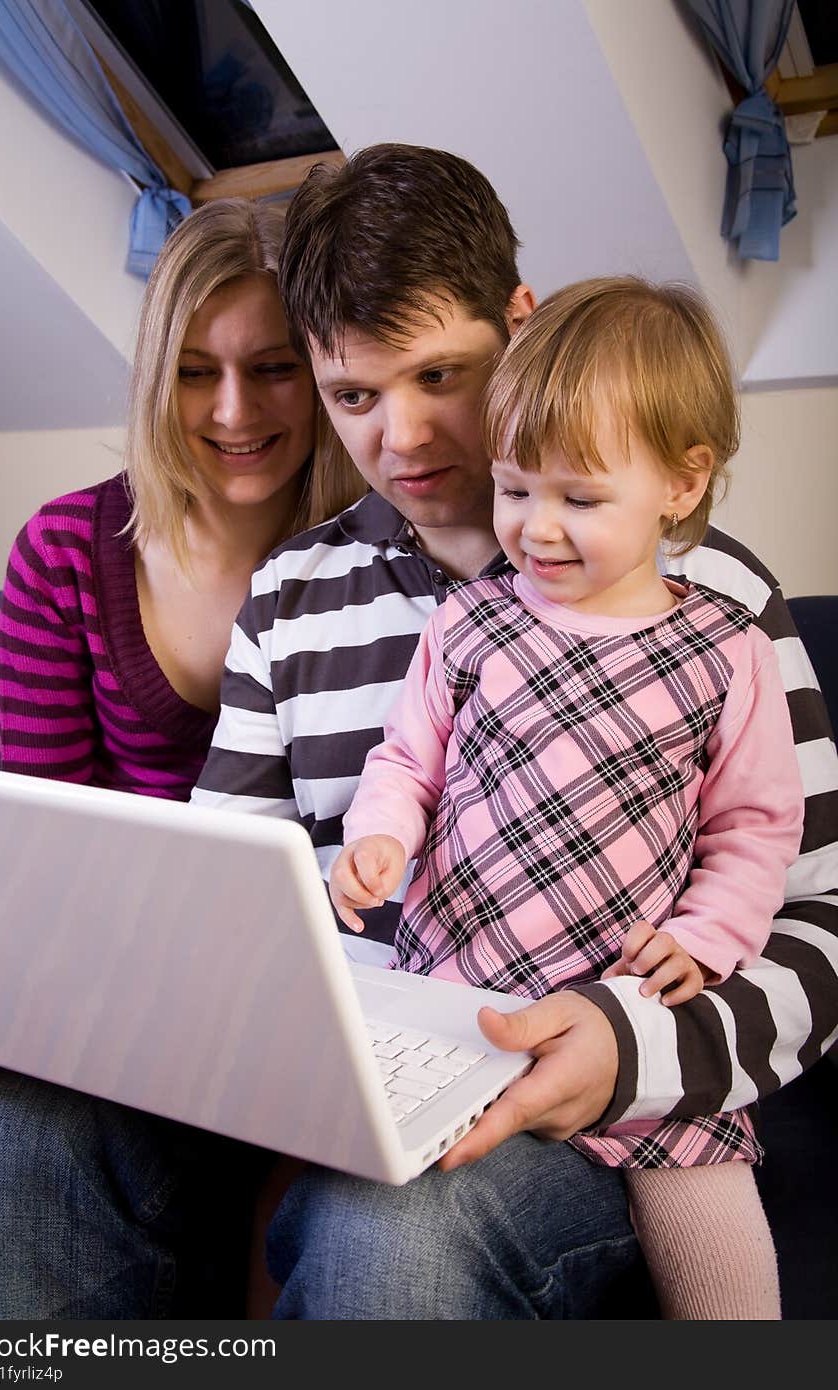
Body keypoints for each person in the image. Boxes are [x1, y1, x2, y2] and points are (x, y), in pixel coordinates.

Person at [192, 144, 838, 1319]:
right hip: (373, 1066)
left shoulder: (709, 600)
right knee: (4, 1109)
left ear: (521, 324)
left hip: (601, 1093)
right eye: (353, 395)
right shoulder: (290, 597)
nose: (403, 436)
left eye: (442, 375)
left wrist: (626, 1048)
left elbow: (814, 915)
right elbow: (224, 903)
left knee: (384, 1229)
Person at [328, 276, 804, 1320]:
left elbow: (756, 827)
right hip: (462, 1002)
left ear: (682, 483)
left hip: (627, 1014)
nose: (536, 529)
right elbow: (405, 762)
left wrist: (713, 934)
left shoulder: (725, 651)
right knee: (370, 1218)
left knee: (720, 1245)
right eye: (513, 488)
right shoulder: (468, 625)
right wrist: (376, 837)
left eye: (578, 499)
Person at [0, 197, 364, 1317]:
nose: (235, 410)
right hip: (133, 1022)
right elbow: (46, 854)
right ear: (152, 379)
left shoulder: (386, 562)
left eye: (276, 366)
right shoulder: (66, 556)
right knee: (12, 1110)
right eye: (195, 371)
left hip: (335, 1023)